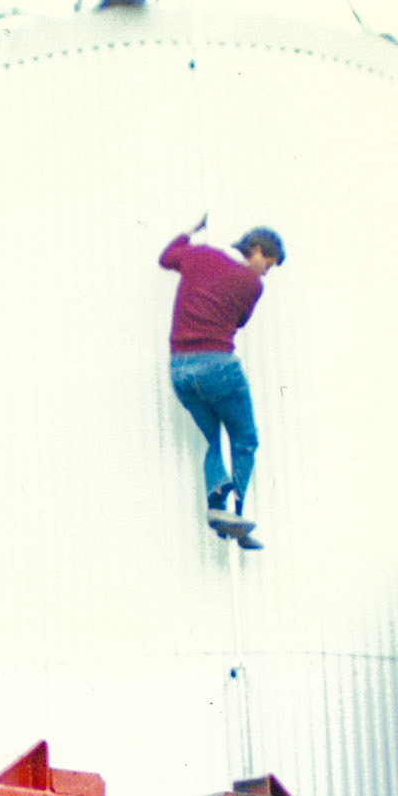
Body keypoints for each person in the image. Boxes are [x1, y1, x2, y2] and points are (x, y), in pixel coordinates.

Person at [160, 218, 285, 550]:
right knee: (245, 440)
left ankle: (218, 509)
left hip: (180, 371)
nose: (265, 273)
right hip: (218, 366)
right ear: (256, 251)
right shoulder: (251, 283)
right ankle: (239, 511)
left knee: (214, 440)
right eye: (268, 265)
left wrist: (188, 229)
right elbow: (240, 321)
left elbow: (167, 257)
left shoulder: (198, 256)